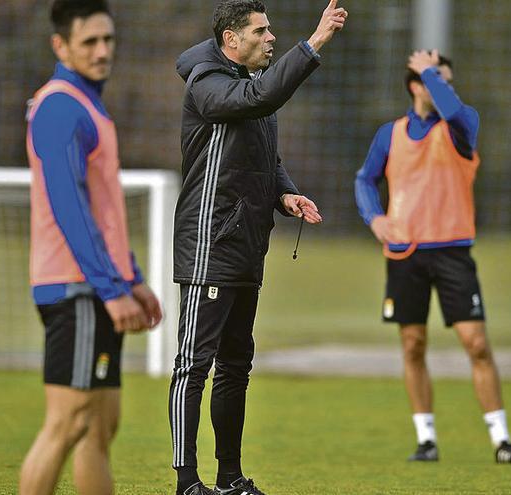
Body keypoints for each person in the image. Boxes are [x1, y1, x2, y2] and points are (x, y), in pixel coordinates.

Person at [169, 1, 347, 494]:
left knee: (235, 367)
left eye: (272, 31)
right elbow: (258, 100)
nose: (271, 38)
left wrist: (284, 193)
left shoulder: (251, 86)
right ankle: (187, 482)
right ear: (232, 39)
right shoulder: (208, 83)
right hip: (209, 243)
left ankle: (229, 479)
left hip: (247, 245)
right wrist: (312, 45)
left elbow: (266, 152)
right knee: (193, 366)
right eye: (261, 31)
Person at [354, 49, 511, 464]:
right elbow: (365, 179)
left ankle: (501, 440)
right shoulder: (391, 134)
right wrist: (374, 218)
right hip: (405, 253)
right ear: (416, 87)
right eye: (434, 79)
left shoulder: (461, 126)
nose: (443, 86)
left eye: (445, 79)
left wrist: (429, 70)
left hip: (453, 251)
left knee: (476, 344)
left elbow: (452, 106)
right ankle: (426, 438)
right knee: (413, 344)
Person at [20, 1, 163, 493]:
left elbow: (105, 212)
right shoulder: (59, 105)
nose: (103, 51)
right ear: (61, 45)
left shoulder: (89, 105)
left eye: (108, 40)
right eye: (89, 42)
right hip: (75, 287)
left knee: (100, 427)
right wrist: (111, 288)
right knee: (68, 423)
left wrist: (134, 280)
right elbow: (70, 206)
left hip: (99, 284)